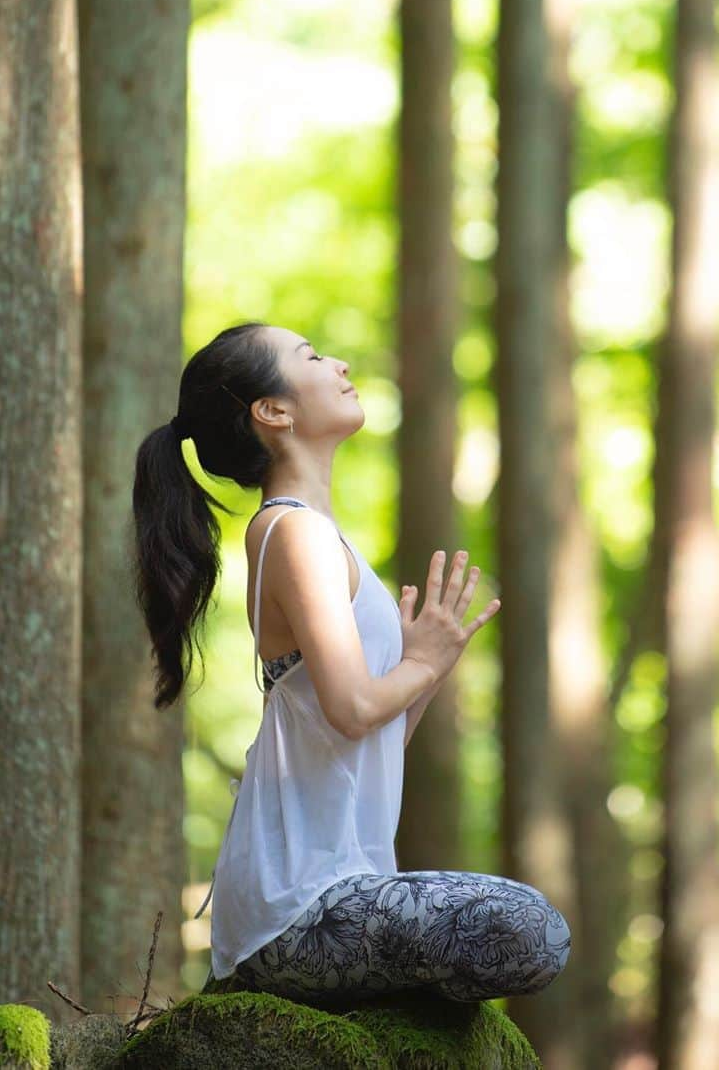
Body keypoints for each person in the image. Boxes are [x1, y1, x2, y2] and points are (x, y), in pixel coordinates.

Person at [131, 321, 571, 1004]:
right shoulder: (293, 531)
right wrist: (417, 662)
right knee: (530, 929)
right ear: (272, 411)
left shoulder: (314, 535)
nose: (336, 361)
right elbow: (354, 706)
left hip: (337, 888)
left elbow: (365, 739)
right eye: (309, 355)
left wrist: (432, 660)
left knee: (526, 933)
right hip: (297, 908)